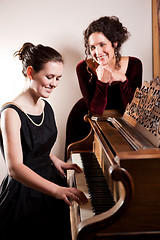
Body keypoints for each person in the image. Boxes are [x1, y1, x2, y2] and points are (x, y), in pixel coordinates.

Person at [0, 43, 87, 240]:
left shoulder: (45, 106)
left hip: (50, 180)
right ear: (31, 72)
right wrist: (57, 190)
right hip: (26, 192)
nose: (54, 83)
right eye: (49, 77)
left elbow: (37, 145)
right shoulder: (11, 113)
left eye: (58, 78)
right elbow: (15, 168)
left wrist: (56, 161)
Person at [65, 16, 142, 158]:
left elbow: (132, 112)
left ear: (115, 43)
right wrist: (102, 82)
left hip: (121, 126)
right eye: (92, 47)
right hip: (85, 122)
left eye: (102, 44)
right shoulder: (83, 68)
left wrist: (124, 80)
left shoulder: (135, 65)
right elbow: (96, 113)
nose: (97, 52)